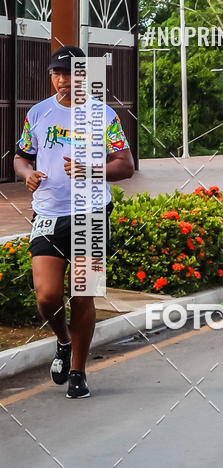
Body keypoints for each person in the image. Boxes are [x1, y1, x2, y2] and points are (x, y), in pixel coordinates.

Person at [13, 45, 134, 398]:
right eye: (58, 73)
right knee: (47, 296)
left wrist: (91, 170)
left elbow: (125, 165)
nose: (64, 80)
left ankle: (79, 371)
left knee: (83, 292)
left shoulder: (103, 115)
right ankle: (63, 342)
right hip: (48, 213)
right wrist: (26, 175)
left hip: (92, 213)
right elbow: (21, 156)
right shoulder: (38, 113)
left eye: (72, 73)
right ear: (51, 76)